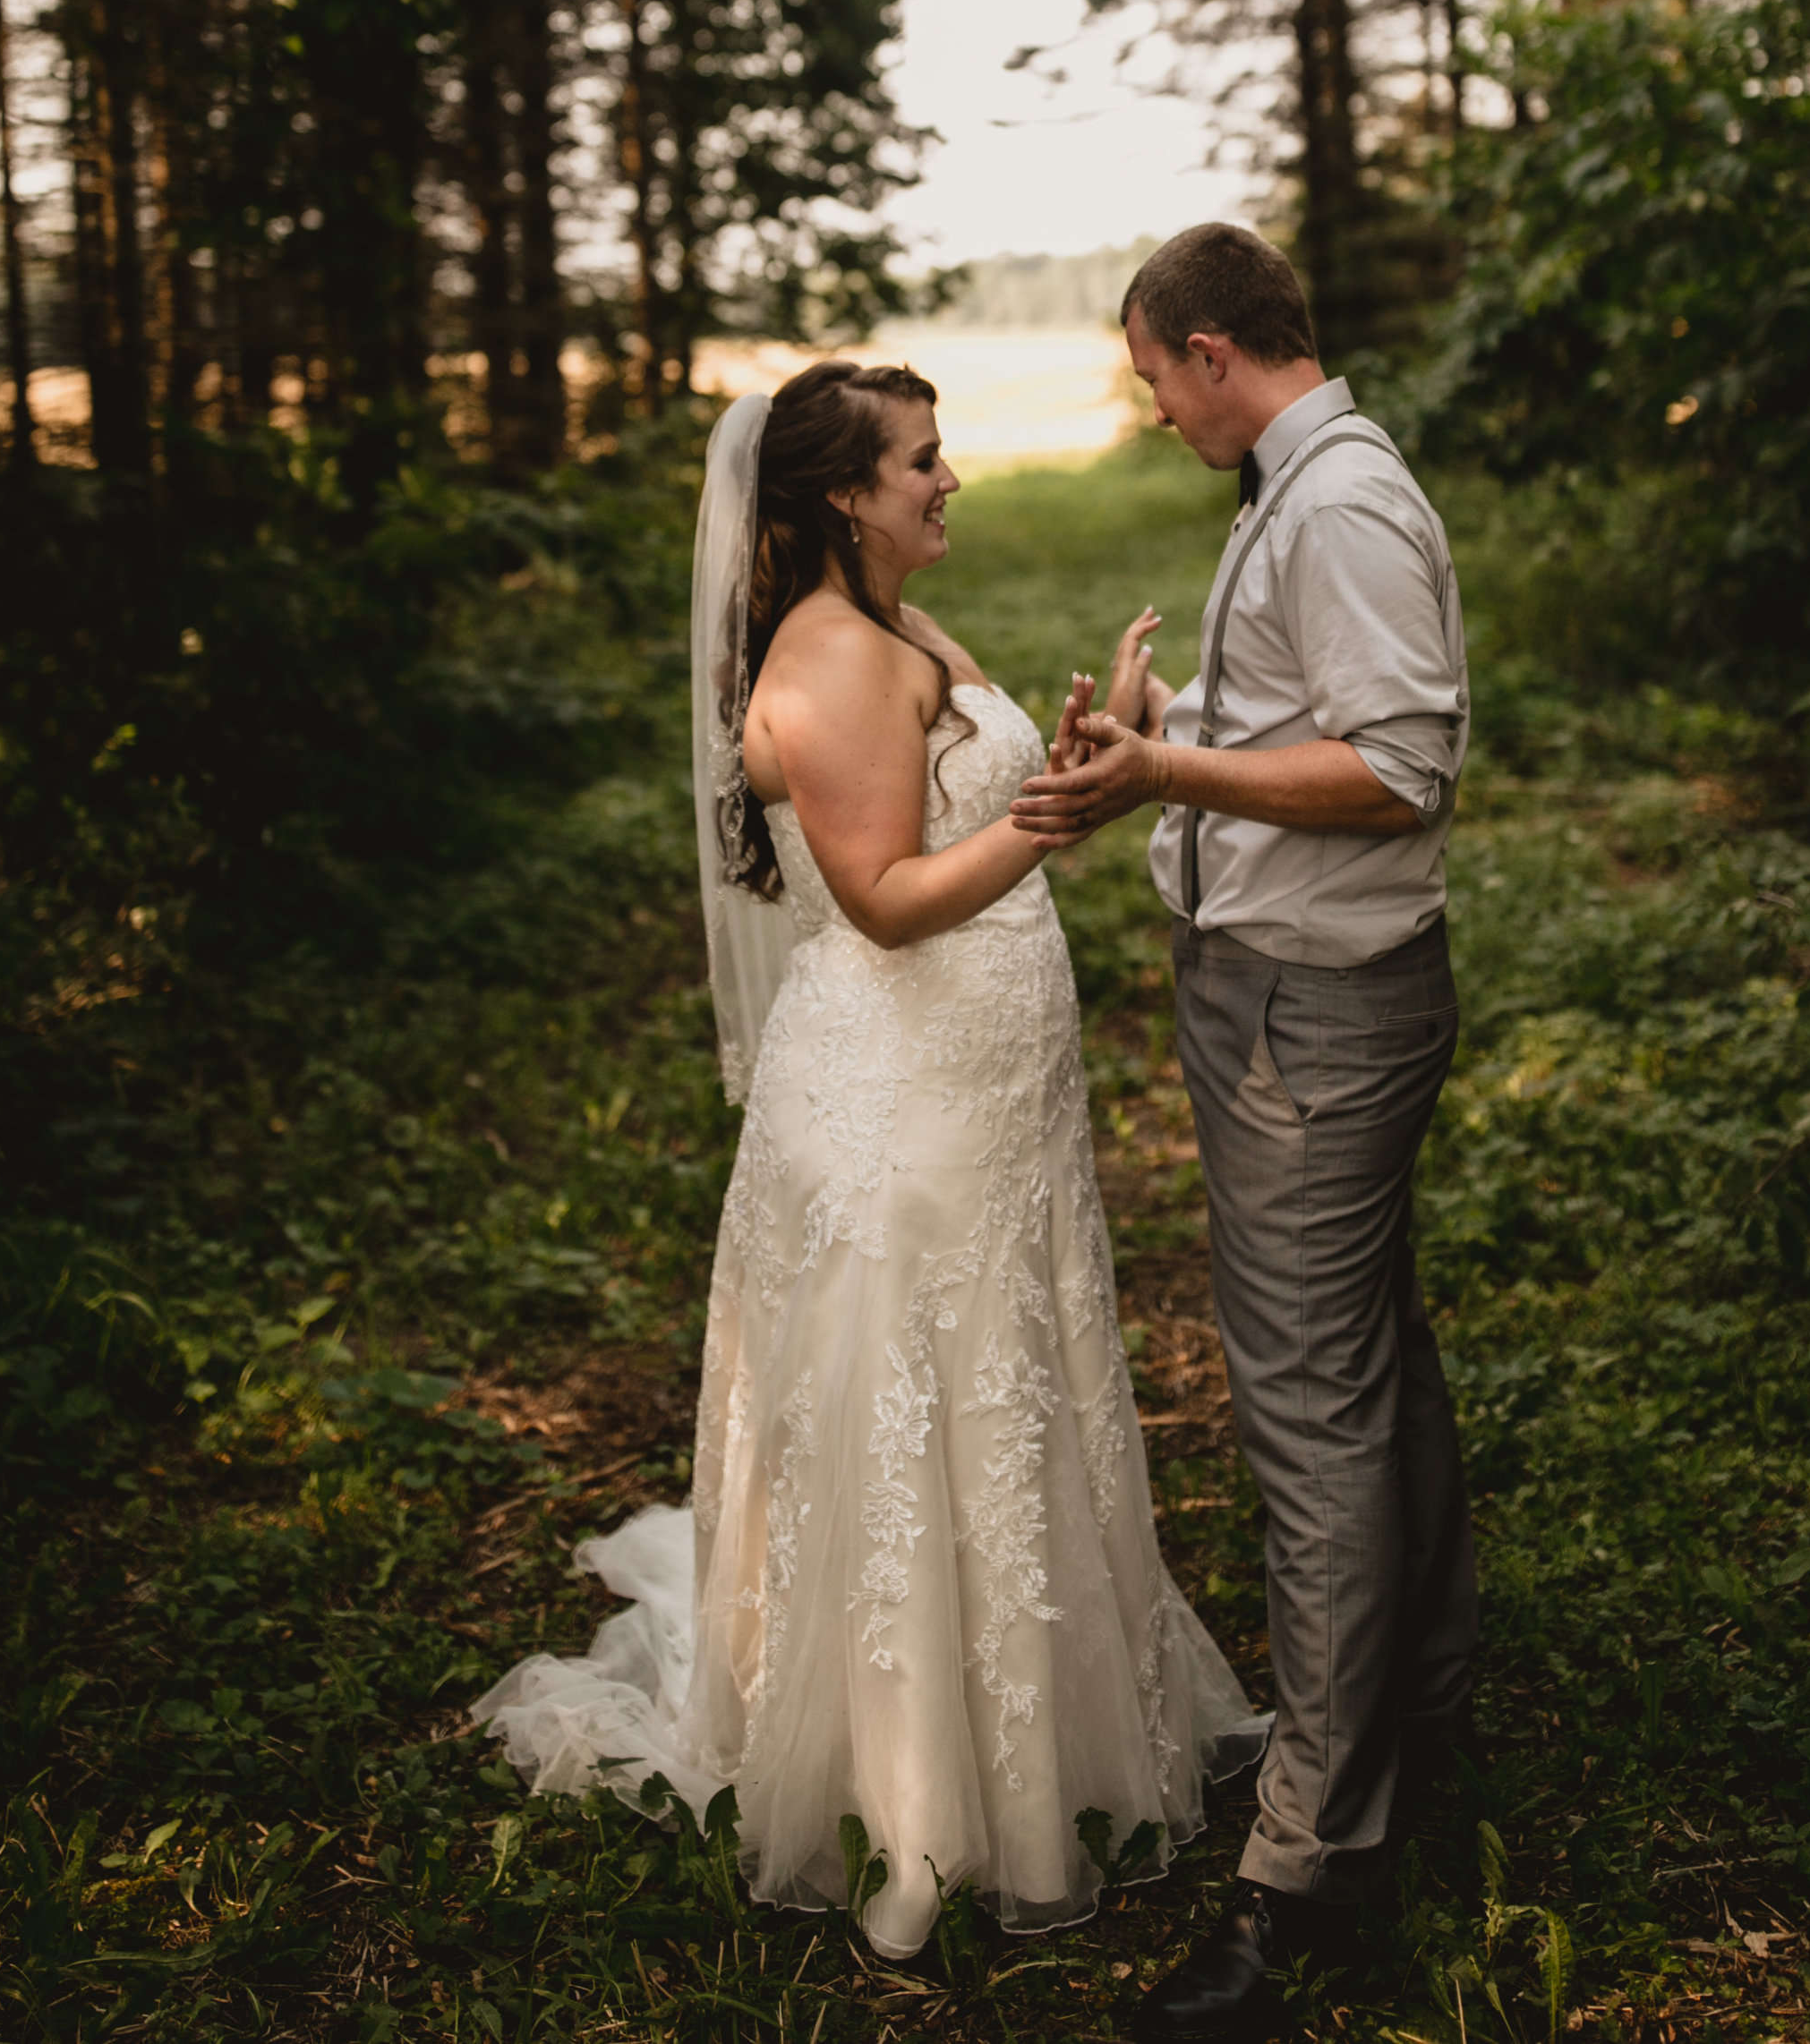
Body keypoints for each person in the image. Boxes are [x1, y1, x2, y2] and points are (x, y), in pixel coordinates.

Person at [474, 358, 1261, 1963]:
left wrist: (1084, 752)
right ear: (845, 493)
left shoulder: (904, 630)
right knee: (925, 1388)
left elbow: (981, 805)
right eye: (922, 460)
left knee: (1007, 1377)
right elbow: (892, 895)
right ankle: (919, 1785)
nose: (948, 478)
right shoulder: (832, 656)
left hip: (985, 1089)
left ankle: (1036, 1716)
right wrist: (1049, 820)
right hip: (900, 1102)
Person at [1011, 224, 1478, 2042]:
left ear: (1213, 350)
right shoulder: (1298, 489)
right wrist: (1169, 723)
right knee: (1368, 1359)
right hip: (1280, 994)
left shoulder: (1340, 500)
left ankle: (1314, 1867)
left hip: (1310, 1014)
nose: (1148, 410)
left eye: (1149, 378)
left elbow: (1396, 768)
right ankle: (1420, 1706)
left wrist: (1162, 774)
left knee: (1306, 1410)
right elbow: (1306, 715)